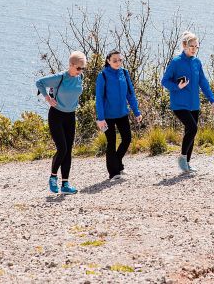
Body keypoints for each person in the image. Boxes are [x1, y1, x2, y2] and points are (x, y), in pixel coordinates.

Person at [161, 32, 214, 173]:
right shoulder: (176, 62)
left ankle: (187, 163)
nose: (193, 49)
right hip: (179, 104)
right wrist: (177, 86)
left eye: (196, 46)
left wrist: (212, 100)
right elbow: (164, 81)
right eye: (191, 46)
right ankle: (182, 158)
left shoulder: (196, 62)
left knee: (190, 132)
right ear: (184, 46)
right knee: (193, 128)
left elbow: (203, 83)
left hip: (194, 104)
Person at [35, 51, 86, 194]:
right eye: (78, 68)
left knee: (68, 150)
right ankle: (52, 177)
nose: (80, 71)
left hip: (70, 116)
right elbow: (39, 82)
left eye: (83, 68)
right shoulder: (60, 78)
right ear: (71, 65)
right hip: (56, 115)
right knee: (62, 148)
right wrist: (48, 98)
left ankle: (65, 184)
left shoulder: (80, 77)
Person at [96, 50, 142, 180]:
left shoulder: (125, 73)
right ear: (108, 61)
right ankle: (114, 172)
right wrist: (100, 118)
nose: (117, 62)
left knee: (127, 139)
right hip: (107, 116)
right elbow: (99, 98)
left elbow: (130, 94)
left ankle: (116, 163)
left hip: (122, 113)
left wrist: (136, 111)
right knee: (111, 142)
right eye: (114, 60)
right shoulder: (103, 75)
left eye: (119, 60)